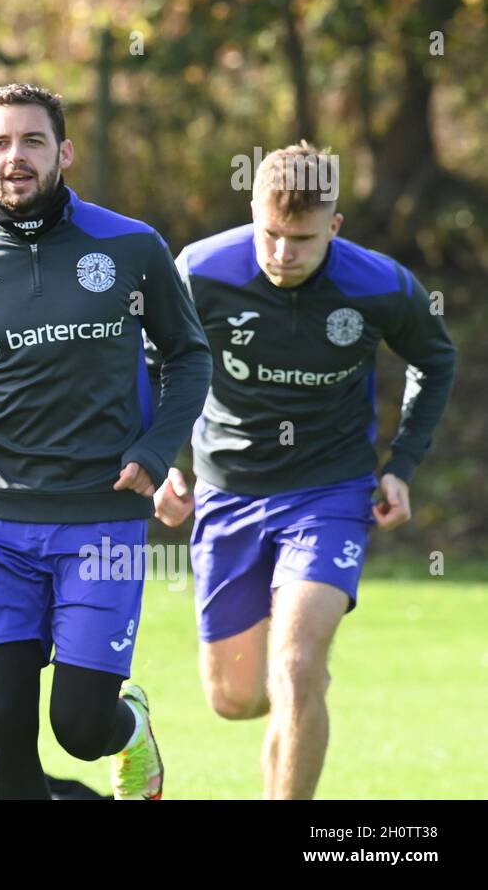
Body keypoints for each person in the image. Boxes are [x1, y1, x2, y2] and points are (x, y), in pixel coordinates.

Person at [0, 83, 211, 799]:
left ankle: (128, 729)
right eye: (0, 144)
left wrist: (158, 451)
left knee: (77, 725)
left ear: (63, 153)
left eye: (33, 142)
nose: (17, 158)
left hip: (102, 514)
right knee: (4, 728)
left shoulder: (131, 246)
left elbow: (188, 356)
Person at [153, 141, 456, 799]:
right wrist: (163, 463)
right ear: (252, 211)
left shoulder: (378, 284)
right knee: (236, 697)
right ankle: (298, 691)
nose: (282, 254)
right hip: (228, 492)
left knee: (294, 666)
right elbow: (151, 364)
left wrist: (401, 463)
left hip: (330, 491)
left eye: (302, 239)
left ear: (335, 227)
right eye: (270, 233)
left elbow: (436, 362)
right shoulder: (201, 271)